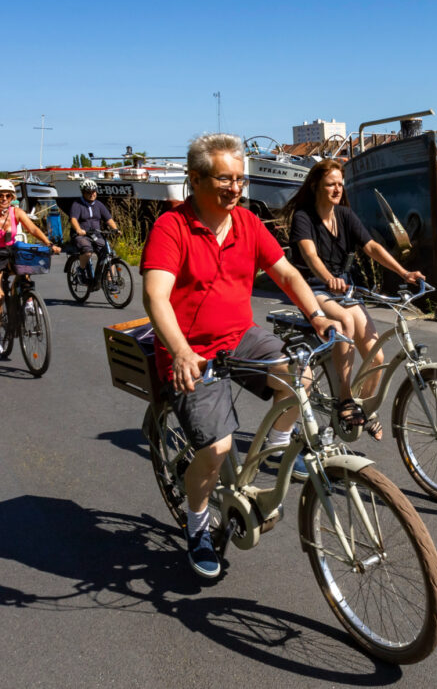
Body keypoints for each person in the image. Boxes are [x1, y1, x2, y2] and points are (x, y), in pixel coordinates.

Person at [141, 133, 340, 579]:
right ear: (195, 179)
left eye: (240, 179)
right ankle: (197, 526)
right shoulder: (171, 227)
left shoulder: (247, 223)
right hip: (192, 352)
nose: (235, 188)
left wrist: (316, 315)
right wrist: (181, 352)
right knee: (217, 447)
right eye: (224, 179)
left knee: (299, 375)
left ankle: (274, 449)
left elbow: (285, 273)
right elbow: (155, 296)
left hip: (240, 337)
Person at [282, 159, 425, 441]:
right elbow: (310, 256)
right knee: (345, 321)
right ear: (316, 186)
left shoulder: (345, 215)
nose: (337, 189)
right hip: (314, 288)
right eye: (330, 184)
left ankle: (366, 409)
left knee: (377, 357)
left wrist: (403, 272)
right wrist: (328, 278)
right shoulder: (303, 217)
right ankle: (345, 398)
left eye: (340, 184)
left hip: (342, 291)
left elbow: (371, 246)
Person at [0, 179, 60, 355]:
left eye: (8, 196)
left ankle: (28, 298)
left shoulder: (16, 212)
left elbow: (33, 229)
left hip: (11, 251)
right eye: (0, 195)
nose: (4, 198)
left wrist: (49, 243)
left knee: (26, 263)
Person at [70, 179, 119, 275]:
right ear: (83, 192)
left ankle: (109, 280)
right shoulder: (77, 204)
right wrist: (78, 229)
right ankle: (81, 270)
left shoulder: (99, 205)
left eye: (94, 191)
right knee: (87, 251)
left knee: (109, 254)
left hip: (96, 235)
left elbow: (108, 219)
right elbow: (73, 219)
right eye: (89, 192)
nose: (92, 194)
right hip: (82, 236)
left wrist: (115, 229)